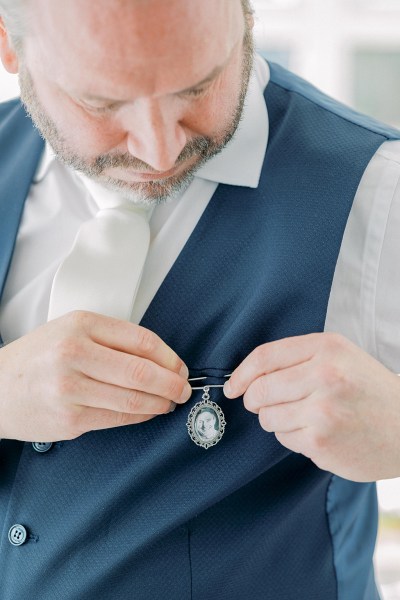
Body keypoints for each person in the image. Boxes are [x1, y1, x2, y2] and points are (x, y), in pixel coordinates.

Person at [0, 0, 399, 598]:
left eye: (199, 85)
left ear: (247, 19)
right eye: (102, 103)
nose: (158, 151)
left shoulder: (380, 193)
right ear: (10, 46)